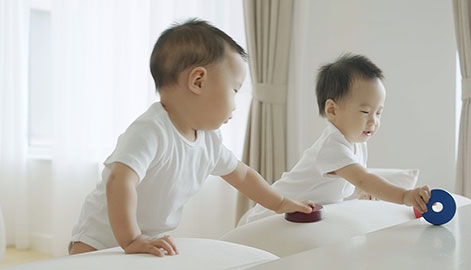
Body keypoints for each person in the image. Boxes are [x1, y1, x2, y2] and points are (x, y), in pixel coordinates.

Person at [68, 18, 313, 257]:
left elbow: (242, 175)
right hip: (99, 242)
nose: (236, 105)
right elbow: (119, 181)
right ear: (198, 81)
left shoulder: (209, 140)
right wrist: (131, 239)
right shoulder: (150, 130)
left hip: (144, 243)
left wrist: (280, 203)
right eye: (234, 90)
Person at [246, 54, 430, 223]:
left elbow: (355, 182)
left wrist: (363, 192)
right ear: (332, 110)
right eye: (365, 112)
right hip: (271, 215)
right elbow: (363, 178)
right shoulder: (332, 146)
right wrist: (405, 196)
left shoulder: (357, 143)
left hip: (298, 216)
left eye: (379, 113)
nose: (373, 121)